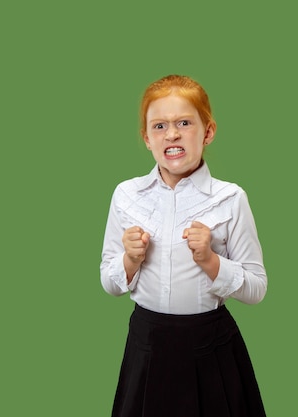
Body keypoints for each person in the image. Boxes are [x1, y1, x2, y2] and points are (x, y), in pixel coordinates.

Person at [100, 74, 268, 417]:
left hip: (210, 349)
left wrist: (210, 260)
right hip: (146, 347)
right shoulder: (126, 195)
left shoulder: (231, 198)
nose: (172, 134)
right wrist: (130, 260)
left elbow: (257, 288)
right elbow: (108, 282)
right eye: (159, 126)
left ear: (207, 132)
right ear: (146, 138)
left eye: (184, 123)